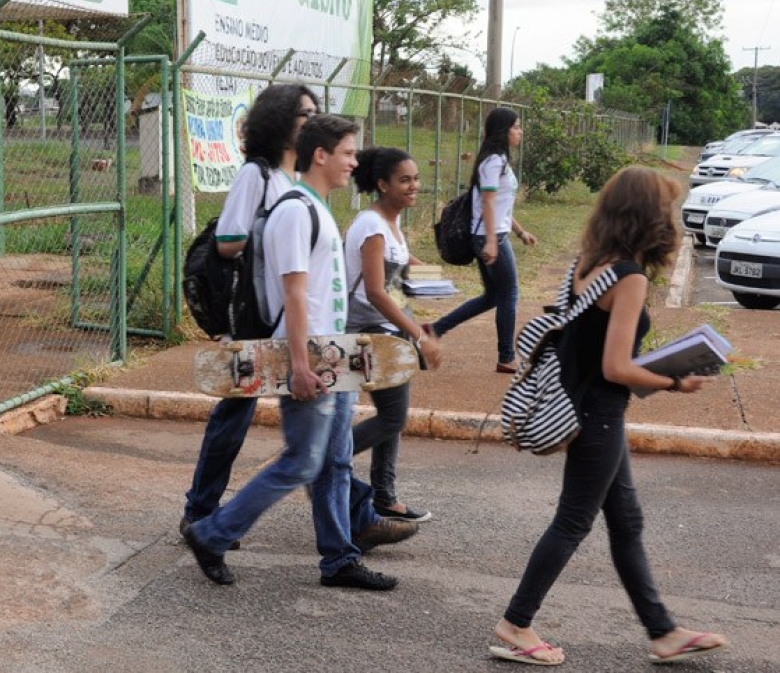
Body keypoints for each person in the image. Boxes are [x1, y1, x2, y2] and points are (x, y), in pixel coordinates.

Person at [489, 166, 727, 666]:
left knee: (626, 521)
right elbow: (616, 366)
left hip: (585, 407)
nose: (671, 217)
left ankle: (662, 631)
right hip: (597, 412)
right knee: (574, 521)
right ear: (647, 216)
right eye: (665, 208)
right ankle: (516, 623)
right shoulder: (631, 277)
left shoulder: (590, 263)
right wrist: (674, 380)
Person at [181, 85, 415, 554]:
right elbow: (228, 242)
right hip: (263, 320)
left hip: (300, 324)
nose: (310, 120)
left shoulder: (299, 184)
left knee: (318, 447)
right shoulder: (260, 176)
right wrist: (274, 245)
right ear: (280, 120)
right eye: (302, 114)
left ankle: (351, 527)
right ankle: (203, 517)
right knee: (242, 421)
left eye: (314, 113)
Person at [344, 148, 443, 524]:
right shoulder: (372, 226)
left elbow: (400, 267)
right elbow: (375, 291)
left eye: (416, 178)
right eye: (405, 180)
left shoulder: (389, 222)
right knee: (393, 418)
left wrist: (436, 278)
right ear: (382, 184)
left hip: (385, 330)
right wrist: (419, 336)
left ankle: (384, 496)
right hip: (367, 333)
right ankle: (327, 461)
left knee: (391, 416)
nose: (414, 186)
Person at [429, 107, 536, 373]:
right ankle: (506, 357)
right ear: (503, 130)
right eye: (516, 127)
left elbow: (499, 206)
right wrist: (490, 241)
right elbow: (487, 203)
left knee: (492, 297)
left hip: (494, 234)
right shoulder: (493, 162)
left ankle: (435, 329)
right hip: (490, 238)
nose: (520, 131)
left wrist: (520, 232)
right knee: (509, 294)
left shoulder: (497, 160)